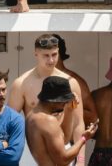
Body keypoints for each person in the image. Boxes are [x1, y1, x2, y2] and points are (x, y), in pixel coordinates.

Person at [8, 34, 85, 163]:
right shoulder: (21, 84)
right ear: (36, 54)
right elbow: (9, 124)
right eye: (46, 55)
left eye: (54, 54)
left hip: (63, 145)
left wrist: (81, 160)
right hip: (32, 151)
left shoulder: (70, 83)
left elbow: (78, 123)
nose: (51, 60)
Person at [26, 76, 99, 166]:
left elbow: (64, 140)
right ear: (54, 100)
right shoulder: (48, 121)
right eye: (64, 102)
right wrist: (83, 138)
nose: (65, 104)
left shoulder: (31, 115)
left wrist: (69, 110)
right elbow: (63, 160)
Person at [53, 34, 98, 124]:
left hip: (70, 137)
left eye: (52, 53)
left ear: (58, 53)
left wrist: (66, 110)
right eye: (44, 54)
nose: (48, 58)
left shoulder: (75, 81)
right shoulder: (36, 79)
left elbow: (93, 116)